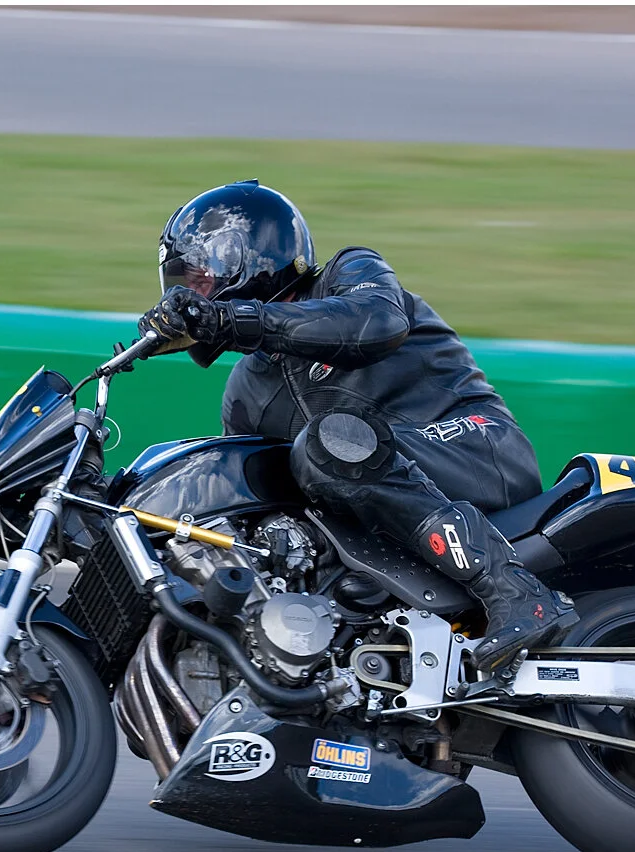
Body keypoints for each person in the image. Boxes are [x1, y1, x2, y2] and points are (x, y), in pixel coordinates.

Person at [138, 179, 576, 676]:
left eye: (197, 282)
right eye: (180, 287)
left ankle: (518, 594)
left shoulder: (350, 274)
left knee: (328, 445)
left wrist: (232, 319)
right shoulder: (246, 387)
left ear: (246, 259)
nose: (191, 297)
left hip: (475, 449)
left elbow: (374, 324)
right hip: (381, 511)